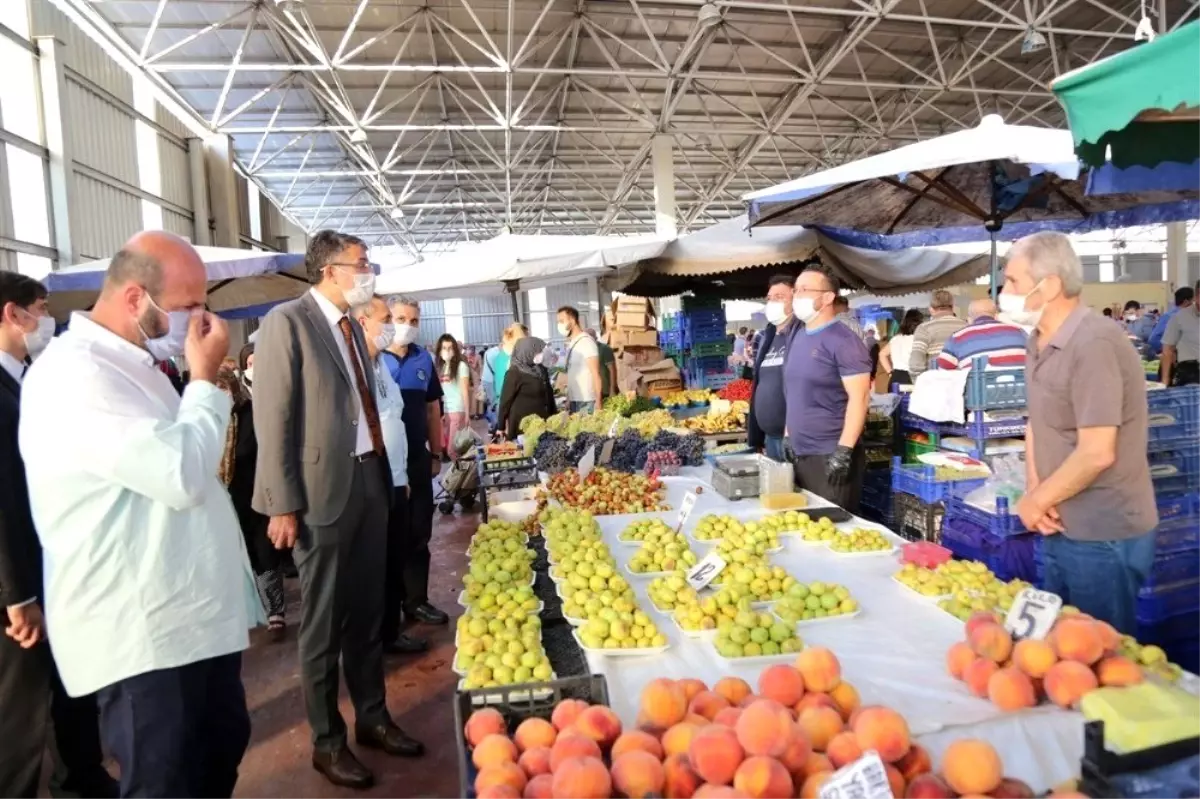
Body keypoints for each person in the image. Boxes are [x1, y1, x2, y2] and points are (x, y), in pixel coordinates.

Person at [20, 232, 259, 798]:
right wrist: (204, 381)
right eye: (187, 307)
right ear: (134, 298)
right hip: (142, 630)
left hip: (187, 621)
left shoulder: (137, 366)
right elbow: (178, 473)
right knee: (166, 778)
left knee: (215, 753)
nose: (200, 320)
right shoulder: (75, 376)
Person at [253, 231, 424, 790]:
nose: (368, 271)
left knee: (367, 612)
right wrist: (280, 503)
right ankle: (327, 743)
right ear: (331, 270)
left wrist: (385, 474)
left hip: (367, 482)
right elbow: (273, 417)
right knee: (323, 624)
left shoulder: (352, 326)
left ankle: (373, 717)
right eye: (362, 264)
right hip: (320, 492)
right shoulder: (288, 323)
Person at [1002, 232, 1157, 634]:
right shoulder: (1037, 342)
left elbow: (1097, 452)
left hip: (1101, 533)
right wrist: (1037, 491)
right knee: (1061, 652)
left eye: (1013, 281)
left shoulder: (1094, 342)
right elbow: (1038, 421)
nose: (1006, 292)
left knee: (1095, 655)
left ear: (1049, 285)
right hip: (1059, 521)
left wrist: (1038, 501)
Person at [0, 274, 118, 799]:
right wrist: (16, 595)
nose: (48, 322)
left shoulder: (25, 379)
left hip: (56, 565)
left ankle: (84, 781)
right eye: (41, 310)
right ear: (12, 314)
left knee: (72, 690)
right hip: (18, 586)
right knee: (20, 714)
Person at [352, 296, 427, 656]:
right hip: (374, 479)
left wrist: (403, 475)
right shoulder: (354, 367)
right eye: (386, 319)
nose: (393, 327)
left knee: (394, 556)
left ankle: (391, 630)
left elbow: (393, 419)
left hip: (396, 478)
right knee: (377, 561)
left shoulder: (379, 364)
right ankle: (376, 637)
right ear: (363, 321)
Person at [382, 295, 450, 628]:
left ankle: (416, 600)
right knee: (386, 535)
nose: (406, 326)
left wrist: (436, 454)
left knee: (418, 531)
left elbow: (432, 409)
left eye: (413, 320)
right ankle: (387, 608)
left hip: (417, 459)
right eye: (400, 318)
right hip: (381, 464)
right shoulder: (372, 359)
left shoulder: (423, 359)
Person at [785, 267, 873, 510]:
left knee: (829, 528)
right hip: (801, 451)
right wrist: (787, 435)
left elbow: (860, 398)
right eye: (796, 290)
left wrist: (844, 451)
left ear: (827, 297)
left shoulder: (844, 341)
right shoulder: (799, 336)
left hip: (830, 453)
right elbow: (794, 391)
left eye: (805, 290)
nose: (797, 295)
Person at [214, 360, 287, 642]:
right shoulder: (205, 422)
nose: (220, 392)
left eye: (223, 386)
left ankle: (275, 612)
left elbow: (268, 454)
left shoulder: (252, 413)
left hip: (255, 497)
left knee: (263, 554)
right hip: (222, 502)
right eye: (213, 387)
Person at [747, 274, 796, 462]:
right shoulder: (767, 336)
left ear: (795, 299)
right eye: (769, 298)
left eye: (779, 297)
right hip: (770, 438)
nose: (772, 302)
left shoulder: (801, 334)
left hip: (794, 438)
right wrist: (757, 436)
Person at [935, 298, 1027, 371]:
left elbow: (944, 371)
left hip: (979, 393)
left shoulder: (958, 337)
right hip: (1021, 391)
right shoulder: (1019, 331)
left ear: (969, 319)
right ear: (996, 316)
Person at [498, 337, 557, 439]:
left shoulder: (541, 370)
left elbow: (549, 394)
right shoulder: (514, 373)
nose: (540, 354)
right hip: (522, 427)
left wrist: (554, 416)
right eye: (537, 351)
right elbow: (505, 402)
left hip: (542, 423)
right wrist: (500, 426)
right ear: (527, 351)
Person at [909, 289, 966, 378]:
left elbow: (915, 364)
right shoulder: (966, 327)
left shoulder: (924, 328)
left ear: (931, 309)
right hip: (962, 383)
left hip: (935, 383)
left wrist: (920, 383)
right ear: (953, 307)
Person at [557, 306, 601, 412]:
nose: (559, 324)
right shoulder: (573, 343)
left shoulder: (586, 342)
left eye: (562, 321)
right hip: (575, 401)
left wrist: (598, 402)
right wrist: (568, 399)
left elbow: (596, 374)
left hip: (587, 402)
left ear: (572, 320)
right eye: (558, 322)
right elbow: (572, 374)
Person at [435, 334, 471, 459]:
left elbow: (465, 391)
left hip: (457, 410)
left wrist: (467, 414)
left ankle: (462, 476)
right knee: (448, 447)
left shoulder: (461, 366)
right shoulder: (442, 367)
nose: (447, 351)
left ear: (455, 349)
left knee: (452, 450)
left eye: (450, 348)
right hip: (446, 411)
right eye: (444, 348)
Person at [1162, 279, 1200, 387]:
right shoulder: (1179, 318)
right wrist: (1165, 380)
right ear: (1197, 296)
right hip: (1191, 372)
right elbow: (1167, 349)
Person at [878, 309, 923, 385]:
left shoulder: (895, 339)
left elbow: (882, 354)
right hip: (911, 378)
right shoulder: (917, 340)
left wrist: (889, 372)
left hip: (895, 377)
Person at [1148, 286, 1194, 356]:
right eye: (1194, 301)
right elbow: (1153, 340)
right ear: (1186, 302)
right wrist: (1172, 349)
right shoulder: (1170, 317)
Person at [587, 327, 618, 400]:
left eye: (590, 337)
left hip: (605, 391)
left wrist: (612, 389)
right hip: (593, 392)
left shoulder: (605, 349)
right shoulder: (587, 351)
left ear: (596, 337)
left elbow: (612, 370)